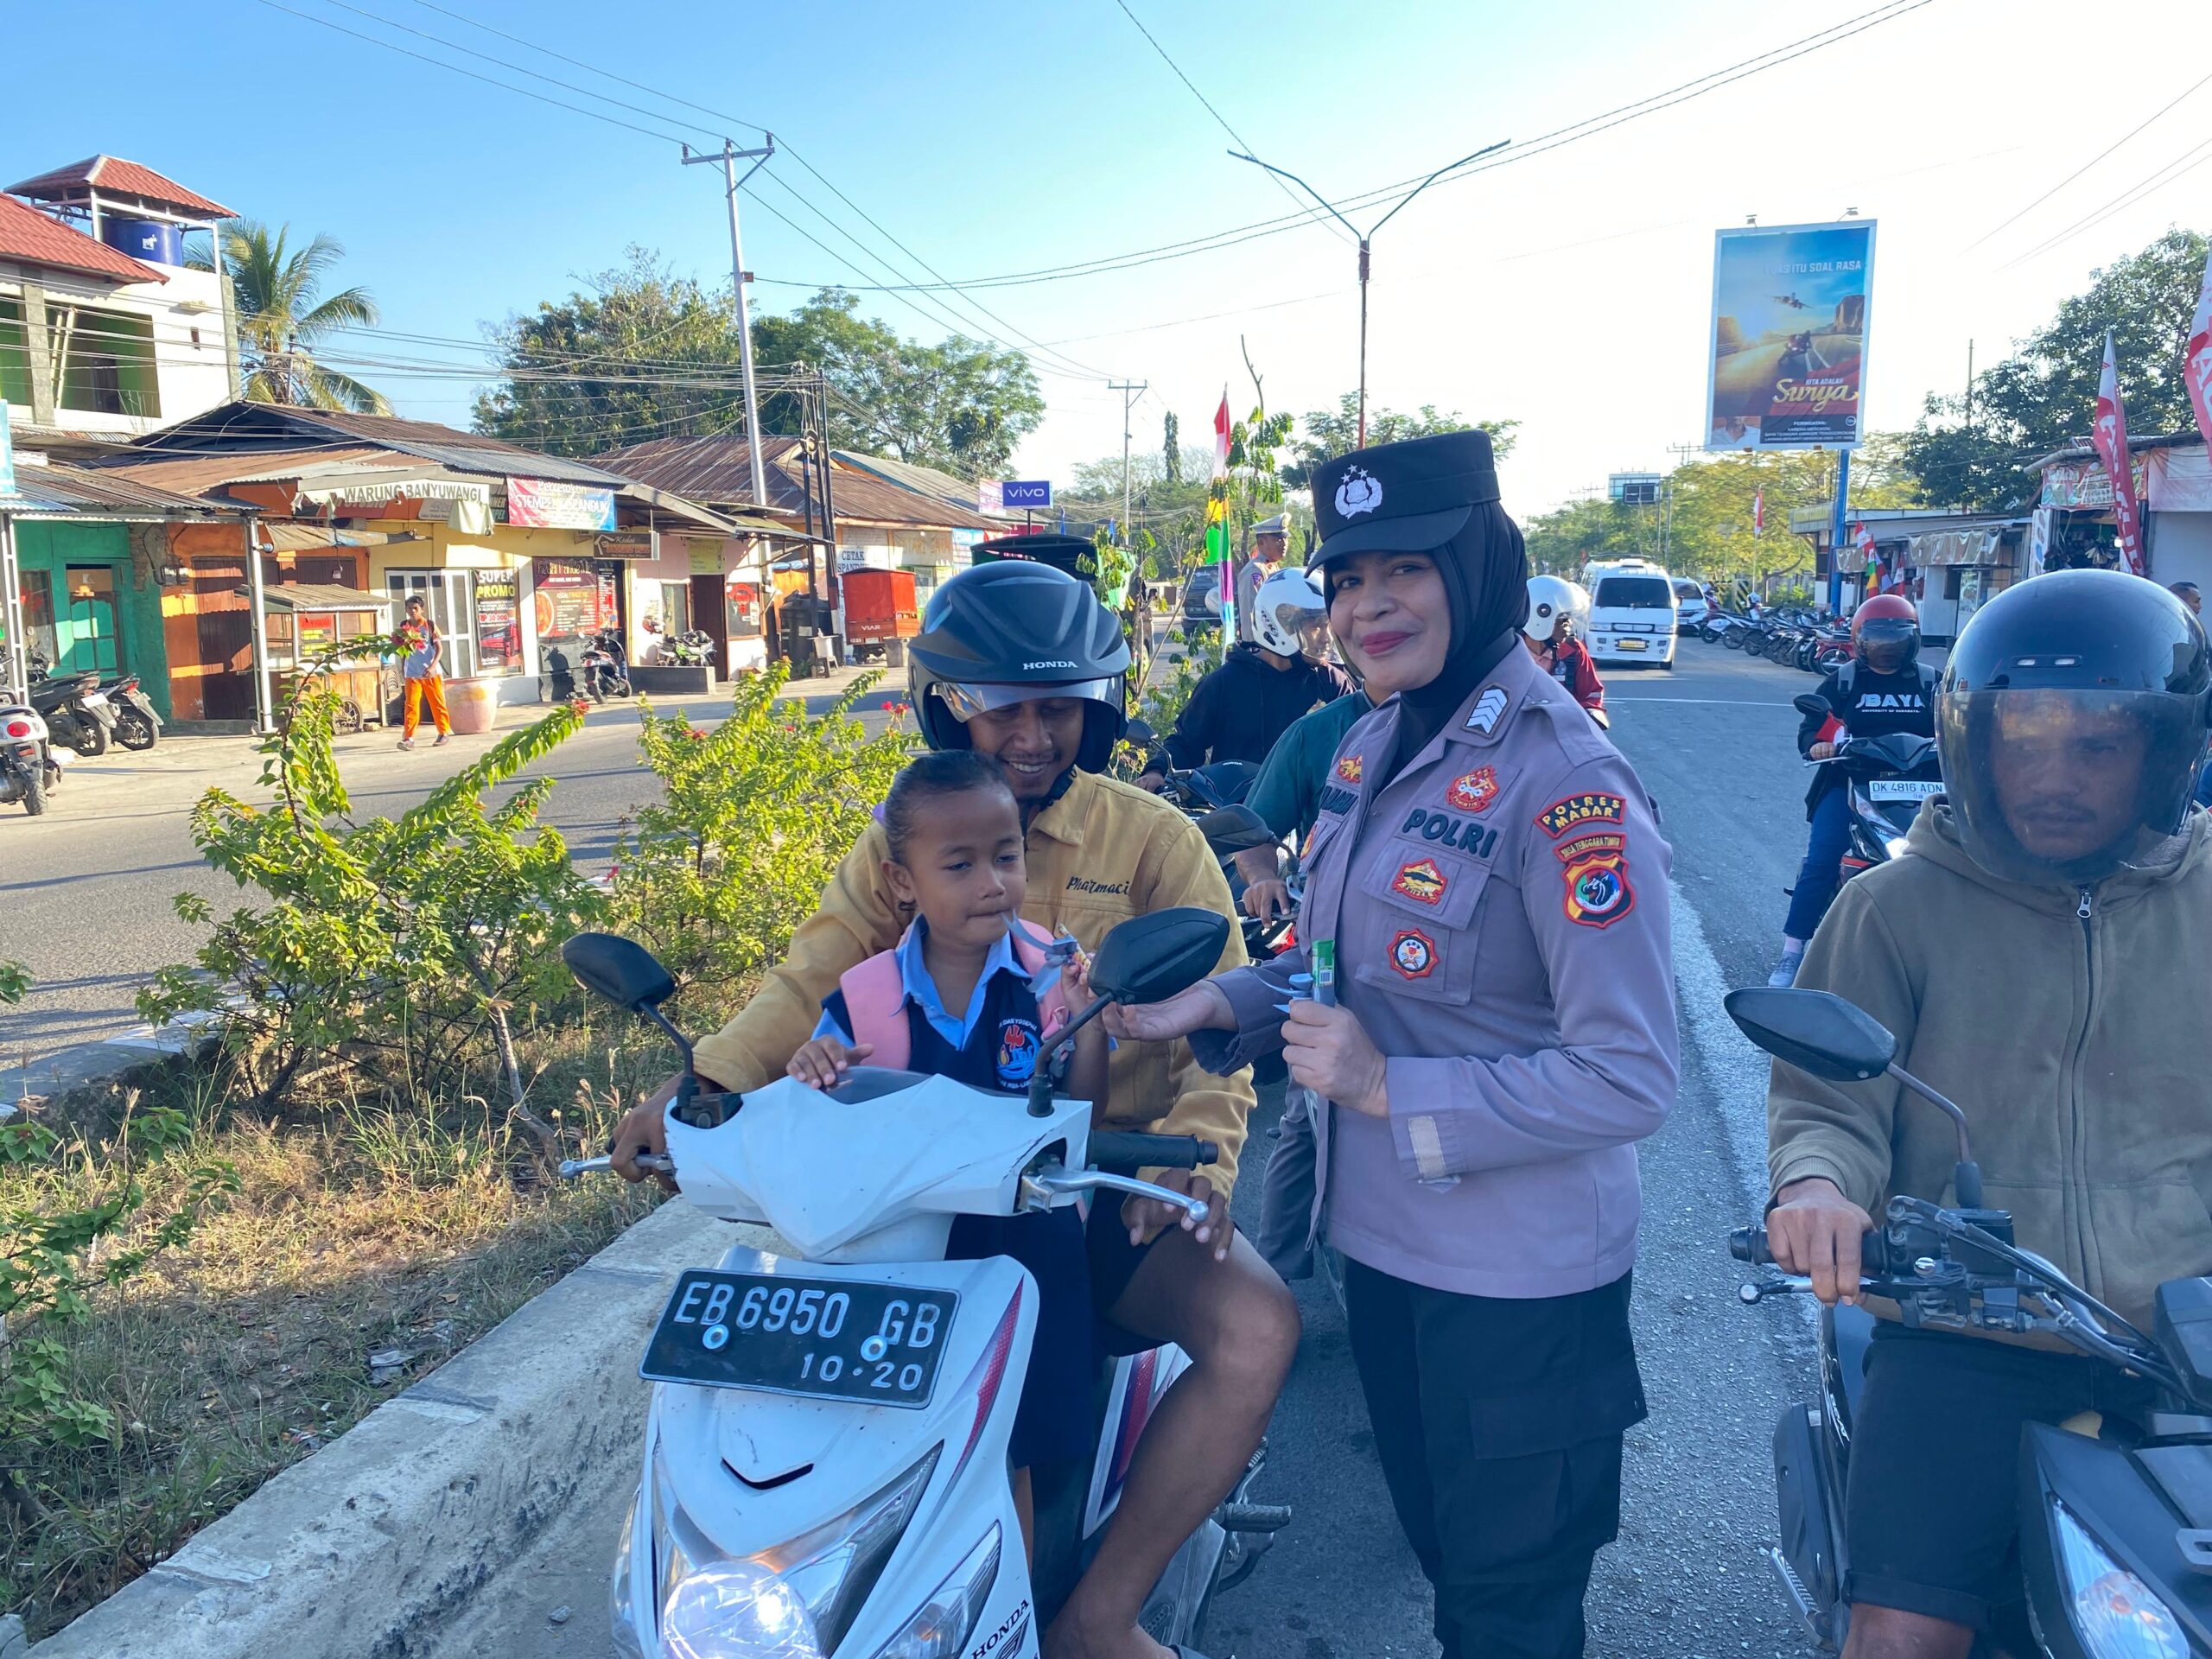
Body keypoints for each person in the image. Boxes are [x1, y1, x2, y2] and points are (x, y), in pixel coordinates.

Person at [605, 558, 1297, 1659]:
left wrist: (1196, 1163)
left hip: (1102, 1189)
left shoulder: (1153, 841)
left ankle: (1098, 1616)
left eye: (1057, 708)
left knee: (1258, 1331)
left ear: (1096, 710)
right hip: (908, 1202)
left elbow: (1219, 1031)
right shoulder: (904, 842)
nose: (1032, 735)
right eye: (1002, 708)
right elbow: (811, 978)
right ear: (946, 706)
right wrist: (704, 1087)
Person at [1107, 429, 1678, 1659]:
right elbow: (1341, 972)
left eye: (1405, 571)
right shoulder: (1370, 743)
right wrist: (1224, 1004)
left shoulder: (1567, 781)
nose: (1368, 606)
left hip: (1519, 1286)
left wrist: (1386, 1085)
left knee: (1508, 1611)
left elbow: (1631, 1076)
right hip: (1380, 1254)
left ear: (1479, 571)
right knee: (1440, 1558)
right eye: (1349, 579)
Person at [1763, 569, 2212, 1659]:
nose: (2054, 777)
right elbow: (1828, 1102)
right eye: (2024, 744)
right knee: (1903, 1635)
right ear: (1975, 747)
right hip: (1977, 1323)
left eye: (2096, 747)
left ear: (2163, 752)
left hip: (2193, 1323)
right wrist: (1817, 1190)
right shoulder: (1892, 906)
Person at [785, 748, 1108, 1553]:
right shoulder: (863, 996)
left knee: (1014, 1454)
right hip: (910, 1261)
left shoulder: (1048, 973)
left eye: (1006, 857)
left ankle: (1017, 1599)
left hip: (1029, 1256)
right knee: (903, 1445)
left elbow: (1082, 1111)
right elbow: (821, 1113)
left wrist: (1090, 1018)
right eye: (959, 865)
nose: (992, 884)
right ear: (902, 882)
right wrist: (813, 1067)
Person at [1768, 593, 1936, 988]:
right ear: (1860, 640)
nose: (1887, 648)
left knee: (1966, 855)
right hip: (1850, 781)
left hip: (1926, 786)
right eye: (1878, 640)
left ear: (1913, 639)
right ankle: (1793, 951)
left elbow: (1960, 720)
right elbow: (1812, 728)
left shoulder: (1931, 682)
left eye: (1897, 639)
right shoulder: (1844, 681)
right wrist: (1818, 744)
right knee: (1823, 857)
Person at [1135, 566, 1353, 787]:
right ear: (1279, 623)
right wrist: (1156, 771)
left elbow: (1360, 742)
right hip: (1238, 806)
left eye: (1328, 626)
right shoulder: (1225, 683)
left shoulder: (1331, 683)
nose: (1326, 638)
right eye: (1316, 627)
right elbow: (1186, 743)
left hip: (1315, 806)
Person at [1522, 574, 1606, 725]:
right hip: (1518, 733)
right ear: (1539, 617)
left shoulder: (1573, 651)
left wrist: (1590, 713)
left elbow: (1592, 693)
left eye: (1569, 619)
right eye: (1562, 620)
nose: (1568, 626)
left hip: (1562, 731)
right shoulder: (1509, 653)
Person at [396, 594, 451, 750]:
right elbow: (403, 650)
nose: (412, 611)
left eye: (415, 608)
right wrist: (403, 668)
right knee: (411, 705)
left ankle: (443, 733)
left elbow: (439, 649)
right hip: (412, 673)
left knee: (437, 703)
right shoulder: (404, 627)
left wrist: (432, 666)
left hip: (430, 673)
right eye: (409, 608)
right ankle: (408, 738)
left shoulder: (429, 625)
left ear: (422, 609)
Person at [1233, 514, 1287, 644]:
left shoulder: (1273, 567)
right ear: (1261, 543)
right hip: (1260, 645)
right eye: (1278, 539)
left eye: (1285, 538)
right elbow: (1250, 612)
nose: (1284, 544)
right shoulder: (1254, 570)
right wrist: (1253, 645)